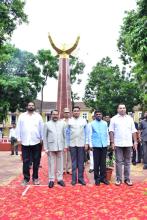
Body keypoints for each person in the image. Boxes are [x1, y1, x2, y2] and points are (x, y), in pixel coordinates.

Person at [109, 104, 137, 186]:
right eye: (120, 108)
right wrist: (112, 142)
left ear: (126, 109)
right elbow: (111, 131)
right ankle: (118, 179)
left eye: (123, 108)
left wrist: (135, 142)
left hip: (128, 143)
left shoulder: (130, 118)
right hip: (118, 143)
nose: (122, 109)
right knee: (118, 162)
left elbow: (133, 131)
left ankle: (127, 178)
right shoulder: (114, 119)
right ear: (117, 109)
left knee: (128, 162)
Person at [16, 102, 44, 186]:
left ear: (34, 107)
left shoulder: (38, 116)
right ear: (27, 107)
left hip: (36, 142)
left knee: (36, 161)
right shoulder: (22, 116)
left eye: (32, 105)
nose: (31, 106)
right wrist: (19, 139)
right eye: (29, 105)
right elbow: (19, 127)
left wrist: (42, 138)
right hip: (25, 142)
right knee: (25, 161)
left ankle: (35, 178)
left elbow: (41, 128)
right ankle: (26, 178)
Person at [43, 110, 66, 188]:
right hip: (51, 147)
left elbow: (65, 135)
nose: (55, 116)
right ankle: (51, 180)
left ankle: (60, 179)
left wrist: (65, 146)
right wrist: (45, 148)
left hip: (60, 146)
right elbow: (44, 137)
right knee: (51, 164)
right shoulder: (47, 124)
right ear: (51, 115)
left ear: (58, 115)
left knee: (60, 164)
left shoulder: (62, 124)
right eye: (54, 114)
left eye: (56, 114)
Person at [66, 106, 88, 186]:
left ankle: (81, 179)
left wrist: (86, 143)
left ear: (79, 112)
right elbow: (67, 133)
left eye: (77, 111)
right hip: (72, 144)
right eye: (74, 111)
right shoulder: (69, 121)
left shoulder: (84, 121)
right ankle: (74, 179)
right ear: (72, 112)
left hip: (81, 144)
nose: (76, 112)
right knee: (74, 162)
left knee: (81, 163)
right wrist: (67, 144)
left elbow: (86, 133)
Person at [89, 110, 110, 185]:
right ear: (94, 116)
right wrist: (90, 145)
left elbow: (107, 133)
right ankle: (97, 179)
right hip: (95, 146)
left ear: (102, 115)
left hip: (104, 145)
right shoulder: (91, 124)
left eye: (100, 114)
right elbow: (90, 135)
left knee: (103, 163)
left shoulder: (105, 123)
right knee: (96, 163)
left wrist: (108, 143)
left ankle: (103, 178)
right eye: (97, 114)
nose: (98, 115)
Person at [62, 108, 72, 175]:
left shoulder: (72, 121)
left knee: (70, 156)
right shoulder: (61, 121)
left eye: (68, 112)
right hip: (63, 140)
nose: (66, 113)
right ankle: (63, 169)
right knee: (63, 156)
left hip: (71, 140)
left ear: (69, 113)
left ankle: (69, 169)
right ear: (63, 113)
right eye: (65, 112)